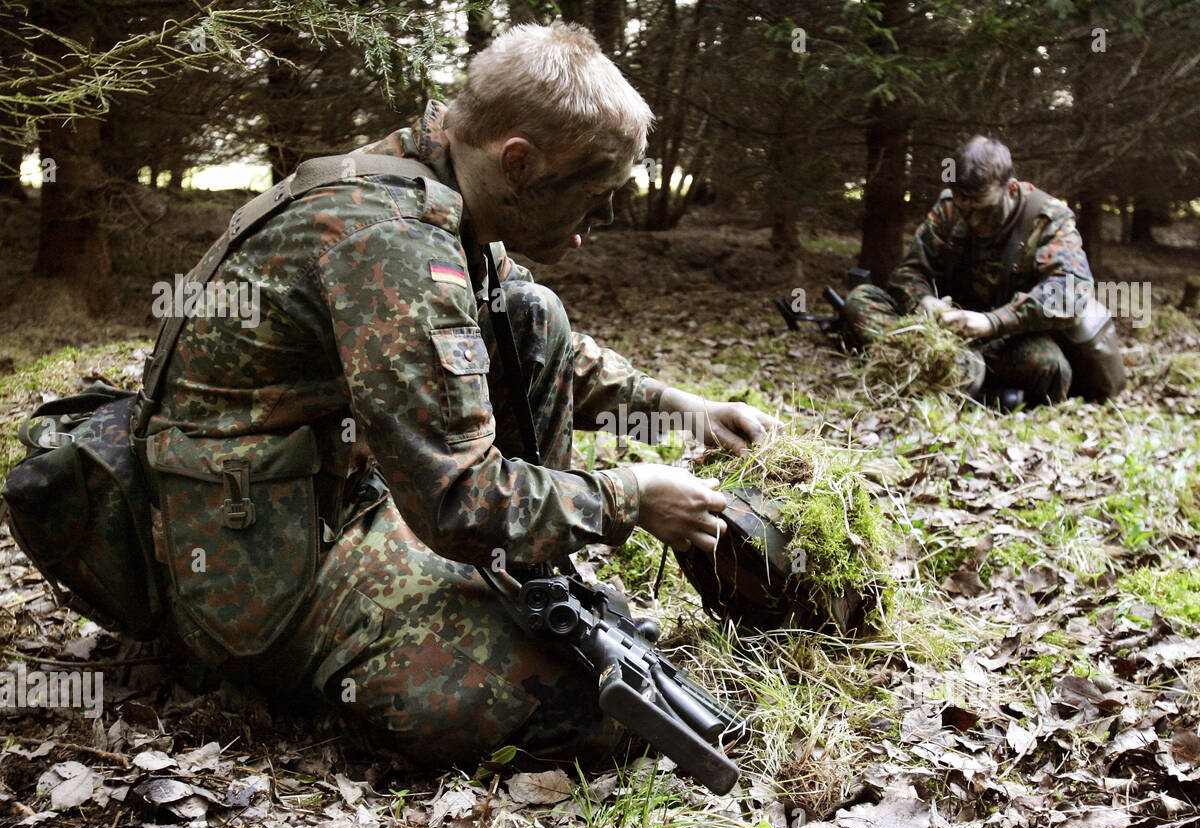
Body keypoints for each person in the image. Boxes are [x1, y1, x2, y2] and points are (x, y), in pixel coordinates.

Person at [140, 23, 774, 769]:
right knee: (585, 708)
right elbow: (457, 502)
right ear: (519, 160)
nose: (593, 229)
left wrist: (681, 409)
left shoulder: (441, 174)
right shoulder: (391, 240)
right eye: (593, 198)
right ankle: (269, 660)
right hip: (255, 558)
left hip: (338, 491)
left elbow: (525, 342)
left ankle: (523, 574)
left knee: (534, 313)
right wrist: (627, 499)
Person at [843, 135, 1126, 408]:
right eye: (965, 210)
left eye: (984, 209)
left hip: (1004, 338)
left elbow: (1069, 294)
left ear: (1011, 189)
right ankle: (949, 372)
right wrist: (925, 301)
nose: (975, 220)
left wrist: (992, 321)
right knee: (860, 300)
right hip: (943, 331)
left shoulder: (1048, 219)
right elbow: (909, 273)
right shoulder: (949, 208)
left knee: (1050, 367)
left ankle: (939, 374)